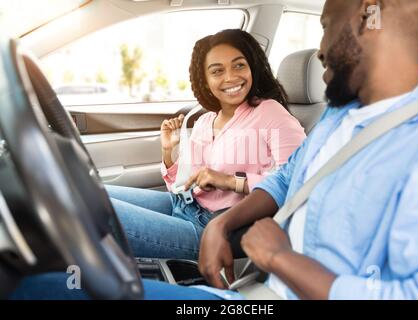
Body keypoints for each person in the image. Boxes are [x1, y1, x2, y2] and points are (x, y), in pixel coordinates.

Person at [11, 0, 418, 300]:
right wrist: (222, 226)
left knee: (37, 286)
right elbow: (286, 177)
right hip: (243, 281)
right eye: (215, 70)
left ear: (370, 11)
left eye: (325, 24)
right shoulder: (342, 114)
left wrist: (280, 257)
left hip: (267, 286)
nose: (318, 52)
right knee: (48, 278)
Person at [105, 29, 306, 260]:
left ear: (253, 67)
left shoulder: (270, 112)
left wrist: (230, 181)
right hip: (182, 203)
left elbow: (298, 181)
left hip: (212, 227)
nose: (230, 77)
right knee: (93, 194)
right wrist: (169, 152)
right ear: (206, 80)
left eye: (239, 65)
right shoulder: (205, 120)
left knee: (97, 213)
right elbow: (184, 184)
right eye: (217, 71)